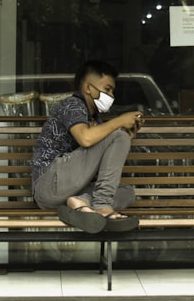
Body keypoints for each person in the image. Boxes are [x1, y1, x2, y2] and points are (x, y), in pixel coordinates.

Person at [30, 60, 144, 233]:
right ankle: (101, 206)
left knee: (127, 193)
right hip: (49, 183)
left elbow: (98, 172)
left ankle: (80, 203)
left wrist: (123, 140)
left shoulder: (95, 119)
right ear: (88, 88)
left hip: (66, 192)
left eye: (113, 90)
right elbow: (85, 139)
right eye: (107, 89)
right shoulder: (72, 105)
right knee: (118, 136)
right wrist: (119, 123)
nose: (112, 95)